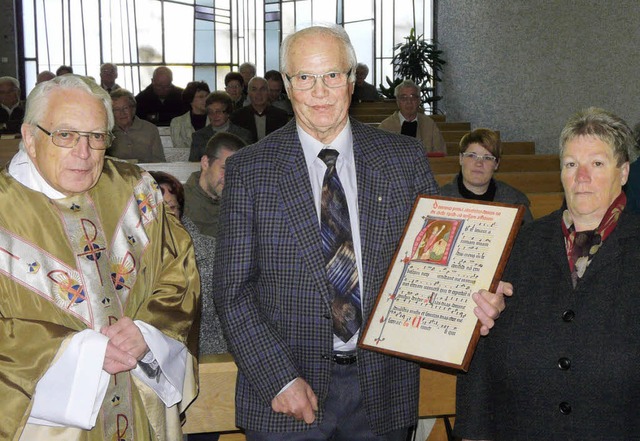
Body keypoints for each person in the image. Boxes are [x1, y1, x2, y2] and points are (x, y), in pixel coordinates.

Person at [213, 24, 507, 440]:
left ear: (352, 81)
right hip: (288, 392)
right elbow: (233, 291)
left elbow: (437, 264)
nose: (320, 91)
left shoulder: (402, 158)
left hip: (383, 387)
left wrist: (476, 297)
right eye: (305, 78)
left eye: (332, 75)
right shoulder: (251, 170)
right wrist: (277, 379)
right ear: (288, 86)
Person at [1, 74, 199, 440]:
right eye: (65, 135)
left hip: (140, 396)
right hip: (48, 421)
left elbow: (179, 272)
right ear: (30, 138)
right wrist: (83, 355)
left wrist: (149, 332)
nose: (84, 152)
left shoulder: (136, 189)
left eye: (96, 137)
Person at [455, 107, 640, 440]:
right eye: (571, 164)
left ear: (623, 172)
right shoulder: (517, 241)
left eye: (596, 164)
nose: (581, 177)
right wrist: (472, 432)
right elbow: (481, 344)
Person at [440, 128, 534, 223]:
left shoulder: (515, 202)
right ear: (461, 159)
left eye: (488, 158)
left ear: (497, 164)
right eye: (472, 155)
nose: (479, 163)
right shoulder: (439, 200)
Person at [185, 131, 245, 237]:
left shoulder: (242, 204)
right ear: (205, 163)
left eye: (237, 172)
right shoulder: (179, 203)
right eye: (225, 168)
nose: (231, 177)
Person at [377, 79, 446, 155]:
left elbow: (440, 154)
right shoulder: (385, 127)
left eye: (413, 97)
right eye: (404, 98)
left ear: (419, 100)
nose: (409, 102)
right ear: (397, 101)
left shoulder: (429, 124)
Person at [189, 91, 254, 161]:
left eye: (218, 111)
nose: (214, 115)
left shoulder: (243, 135)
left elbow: (249, 163)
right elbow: (193, 165)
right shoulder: (198, 136)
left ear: (228, 112)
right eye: (211, 112)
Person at [108, 88, 166, 162]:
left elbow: (159, 161)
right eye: (116, 109)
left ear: (133, 109)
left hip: (146, 172)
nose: (122, 113)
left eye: (125, 108)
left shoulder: (150, 129)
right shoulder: (108, 131)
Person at [229, 76, 289, 142]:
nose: (259, 94)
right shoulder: (237, 117)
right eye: (254, 89)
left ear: (268, 92)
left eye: (262, 89)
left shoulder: (281, 116)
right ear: (248, 93)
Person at [170, 81, 211, 150]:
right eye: (201, 97)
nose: (206, 99)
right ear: (190, 100)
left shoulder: (216, 119)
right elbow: (179, 148)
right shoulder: (177, 122)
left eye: (207, 96)